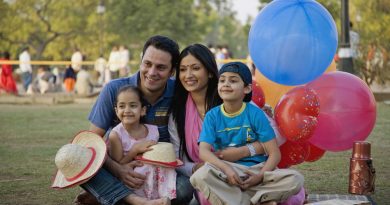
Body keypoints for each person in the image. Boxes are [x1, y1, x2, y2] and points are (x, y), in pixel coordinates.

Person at [75, 35, 193, 205]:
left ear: (172, 71)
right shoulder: (113, 89)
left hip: (159, 173)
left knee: (185, 189)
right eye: (148, 64)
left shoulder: (179, 92)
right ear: (140, 60)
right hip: (116, 167)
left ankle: (109, 196)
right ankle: (133, 199)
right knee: (78, 157)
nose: (152, 72)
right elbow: (92, 141)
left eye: (161, 67)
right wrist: (119, 170)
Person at [190, 62, 304, 205]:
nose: (226, 84)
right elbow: (204, 152)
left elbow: (274, 153)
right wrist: (227, 169)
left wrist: (260, 176)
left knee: (295, 179)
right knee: (200, 176)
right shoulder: (212, 116)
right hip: (228, 171)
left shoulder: (255, 114)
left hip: (257, 170)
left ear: (247, 88)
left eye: (233, 80)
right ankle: (259, 200)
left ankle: (245, 199)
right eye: (222, 80)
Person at [52, 131, 169, 205]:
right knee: (81, 163)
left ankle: (133, 200)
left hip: (157, 172)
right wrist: (118, 168)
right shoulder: (111, 93)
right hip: (118, 170)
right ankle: (138, 201)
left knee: (182, 190)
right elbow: (94, 132)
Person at [109, 85, 176, 201]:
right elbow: (118, 164)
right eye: (122, 106)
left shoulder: (153, 131)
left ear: (143, 110)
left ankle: (163, 198)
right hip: (133, 179)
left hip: (155, 178)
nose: (127, 110)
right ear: (116, 111)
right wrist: (134, 150)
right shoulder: (116, 134)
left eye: (133, 106)